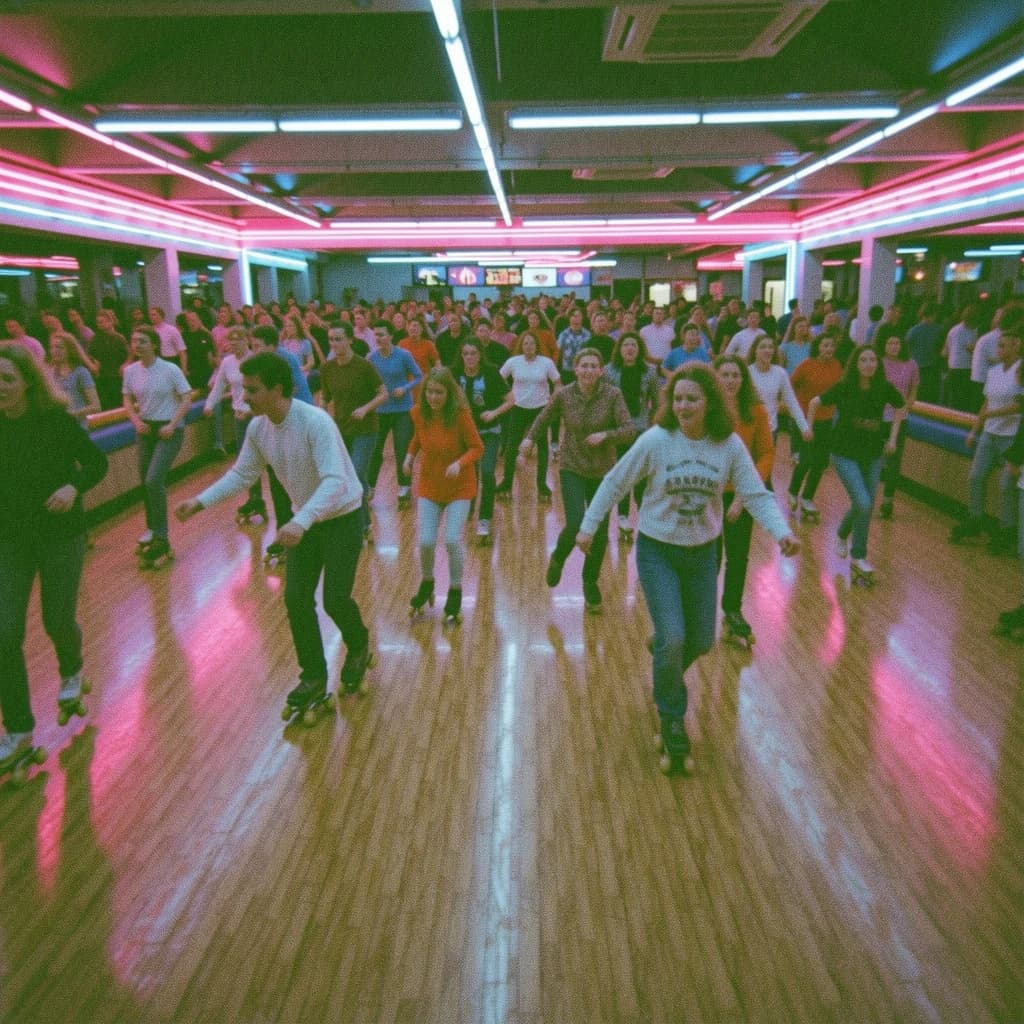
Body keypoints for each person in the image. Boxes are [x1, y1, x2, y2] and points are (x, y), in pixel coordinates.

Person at [575, 364, 798, 771]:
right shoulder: (657, 440)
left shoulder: (728, 445)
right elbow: (614, 481)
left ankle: (664, 657)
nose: (683, 406)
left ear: (709, 401)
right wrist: (589, 527)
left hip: (703, 553)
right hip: (658, 551)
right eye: (677, 399)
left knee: (702, 641)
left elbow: (755, 493)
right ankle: (672, 718)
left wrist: (781, 531)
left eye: (691, 399)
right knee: (674, 637)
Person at [176, 351, 375, 709]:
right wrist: (200, 501)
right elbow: (242, 474)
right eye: (242, 389)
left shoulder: (315, 422)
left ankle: (359, 645)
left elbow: (336, 481)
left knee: (335, 599)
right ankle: (313, 676)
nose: (244, 397)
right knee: (296, 598)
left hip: (343, 517)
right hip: (306, 521)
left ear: (277, 389)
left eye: (251, 389)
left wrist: (300, 520)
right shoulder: (258, 428)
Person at [0, 343, 108, 770]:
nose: (0, 387)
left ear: (28, 382)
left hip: (61, 535)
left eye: (7, 379)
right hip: (11, 540)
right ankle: (20, 729)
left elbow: (96, 464)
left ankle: (72, 671)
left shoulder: (54, 422)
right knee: (4, 633)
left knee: (56, 619)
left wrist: (73, 488)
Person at [520, 348, 635, 611]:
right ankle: (558, 557)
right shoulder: (564, 394)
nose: (588, 370)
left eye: (593, 365)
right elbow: (543, 418)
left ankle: (589, 582)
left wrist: (606, 435)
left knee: (600, 533)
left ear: (601, 370)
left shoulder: (612, 395)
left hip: (604, 472)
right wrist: (528, 440)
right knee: (574, 524)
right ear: (576, 368)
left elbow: (629, 430)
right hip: (572, 466)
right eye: (583, 365)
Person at [809, 345, 907, 581]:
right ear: (856, 364)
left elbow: (901, 406)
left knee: (866, 505)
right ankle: (843, 533)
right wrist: (809, 428)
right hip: (844, 453)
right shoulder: (845, 386)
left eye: (872, 359)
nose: (868, 364)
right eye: (863, 360)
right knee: (862, 502)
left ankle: (858, 556)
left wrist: (893, 437)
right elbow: (815, 402)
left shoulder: (883, 387)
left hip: (873, 454)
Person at [402, 366, 484, 622]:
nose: (434, 398)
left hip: (460, 486)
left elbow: (477, 447)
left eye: (439, 393)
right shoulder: (418, 412)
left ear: (449, 393)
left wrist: (459, 463)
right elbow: (418, 437)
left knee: (450, 540)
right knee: (425, 541)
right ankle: (427, 581)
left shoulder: (460, 415)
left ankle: (456, 589)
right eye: (430, 392)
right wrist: (409, 456)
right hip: (430, 484)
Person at [713, 354, 775, 644]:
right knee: (708, 557)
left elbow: (766, 454)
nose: (730, 380)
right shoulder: (707, 409)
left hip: (742, 494)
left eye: (735, 375)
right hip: (709, 495)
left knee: (737, 557)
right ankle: (699, 609)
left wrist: (743, 493)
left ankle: (732, 610)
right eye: (724, 375)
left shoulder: (756, 412)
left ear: (743, 379)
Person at [122, 325, 193, 567]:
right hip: (145, 430)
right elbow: (127, 399)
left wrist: (173, 424)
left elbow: (187, 396)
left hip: (168, 430)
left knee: (154, 480)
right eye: (134, 341)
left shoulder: (170, 369)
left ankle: (162, 537)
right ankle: (152, 529)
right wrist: (136, 420)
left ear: (154, 345)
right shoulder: (130, 371)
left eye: (142, 341)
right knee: (146, 481)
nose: (137, 345)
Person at [949, 327, 1022, 554]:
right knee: (976, 476)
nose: (999, 349)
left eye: (1003, 345)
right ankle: (975, 519)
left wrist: (990, 415)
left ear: (1016, 345)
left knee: (1006, 485)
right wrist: (975, 430)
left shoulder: (1020, 371)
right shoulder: (993, 372)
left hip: (1011, 437)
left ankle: (1006, 530)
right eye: (999, 345)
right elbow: (986, 403)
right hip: (990, 435)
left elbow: (1020, 405)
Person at [319, 322, 388, 543]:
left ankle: (363, 524)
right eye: (331, 339)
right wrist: (322, 414)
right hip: (340, 429)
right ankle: (358, 521)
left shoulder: (363, 366)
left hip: (366, 429)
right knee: (345, 477)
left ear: (350, 340)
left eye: (338, 339)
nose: (334, 343)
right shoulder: (327, 369)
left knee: (357, 473)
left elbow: (383, 394)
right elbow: (325, 397)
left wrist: (366, 408)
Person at [204, 325, 267, 522]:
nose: (234, 345)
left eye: (238, 341)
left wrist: (249, 410)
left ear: (246, 341)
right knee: (246, 459)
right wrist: (209, 405)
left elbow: (262, 389)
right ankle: (255, 498)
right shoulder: (227, 362)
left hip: (258, 414)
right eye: (231, 342)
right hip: (239, 416)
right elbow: (219, 386)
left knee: (266, 457)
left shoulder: (255, 360)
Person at [602, 332, 659, 537]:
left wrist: (653, 424)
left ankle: (644, 516)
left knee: (642, 475)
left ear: (639, 348)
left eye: (633, 345)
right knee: (623, 473)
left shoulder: (650, 372)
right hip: (618, 431)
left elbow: (657, 401)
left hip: (642, 429)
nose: (629, 348)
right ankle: (623, 516)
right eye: (626, 344)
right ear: (620, 349)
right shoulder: (609, 371)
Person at [453, 338, 508, 542]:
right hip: (465, 435)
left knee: (486, 472)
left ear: (480, 355)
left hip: (489, 433)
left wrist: (494, 412)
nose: (469, 357)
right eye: (465, 353)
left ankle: (484, 518)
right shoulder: (454, 374)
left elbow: (511, 399)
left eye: (473, 353)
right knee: (469, 474)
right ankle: (468, 506)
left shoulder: (491, 372)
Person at [497, 330, 561, 501]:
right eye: (525, 343)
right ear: (521, 345)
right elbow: (498, 378)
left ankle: (542, 486)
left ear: (536, 345)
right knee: (511, 447)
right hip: (518, 408)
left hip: (540, 409)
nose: (529, 346)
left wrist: (554, 401)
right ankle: (506, 482)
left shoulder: (546, 362)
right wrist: (507, 395)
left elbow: (557, 383)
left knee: (542, 448)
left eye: (532, 343)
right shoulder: (514, 361)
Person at [787, 332, 843, 520]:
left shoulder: (837, 366)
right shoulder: (806, 366)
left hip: (826, 420)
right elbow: (790, 385)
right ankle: (793, 491)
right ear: (818, 347)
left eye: (831, 346)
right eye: (825, 345)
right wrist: (794, 406)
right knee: (806, 460)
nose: (829, 349)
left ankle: (808, 498)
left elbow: (839, 390)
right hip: (804, 419)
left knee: (821, 462)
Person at [367, 320, 422, 508]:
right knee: (375, 450)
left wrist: (405, 388)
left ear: (390, 336)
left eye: (382, 334)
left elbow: (419, 376)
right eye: (376, 335)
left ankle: (404, 487)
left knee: (401, 449)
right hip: (380, 411)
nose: (378, 338)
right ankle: (369, 486)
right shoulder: (371, 357)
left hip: (402, 411)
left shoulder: (403, 355)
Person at [746, 333, 812, 480]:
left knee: (765, 472)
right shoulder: (747, 373)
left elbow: (792, 402)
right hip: (749, 428)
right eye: (763, 347)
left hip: (770, 430)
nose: (767, 350)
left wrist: (804, 427)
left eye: (770, 347)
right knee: (749, 471)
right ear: (755, 351)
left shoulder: (780, 373)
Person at [875, 329, 920, 519]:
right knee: (874, 458)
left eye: (897, 343)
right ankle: (867, 497)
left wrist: (905, 407)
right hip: (878, 417)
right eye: (890, 343)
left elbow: (914, 389)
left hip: (900, 418)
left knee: (894, 461)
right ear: (884, 345)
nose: (894, 347)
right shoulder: (878, 364)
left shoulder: (911, 364)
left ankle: (887, 501)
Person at [48, 332, 101, 424]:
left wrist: (73, 414)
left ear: (70, 350)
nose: (54, 351)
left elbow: (96, 407)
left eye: (59, 347)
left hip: (79, 426)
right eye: (52, 347)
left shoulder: (81, 372)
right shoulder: (51, 373)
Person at [88, 309, 130, 410]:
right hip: (102, 377)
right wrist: (94, 361)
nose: (99, 324)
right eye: (98, 322)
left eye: (101, 322)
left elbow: (130, 354)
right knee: (106, 404)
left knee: (119, 403)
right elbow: (89, 354)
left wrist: (125, 364)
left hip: (117, 376)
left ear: (110, 322)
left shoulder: (120, 338)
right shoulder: (96, 339)